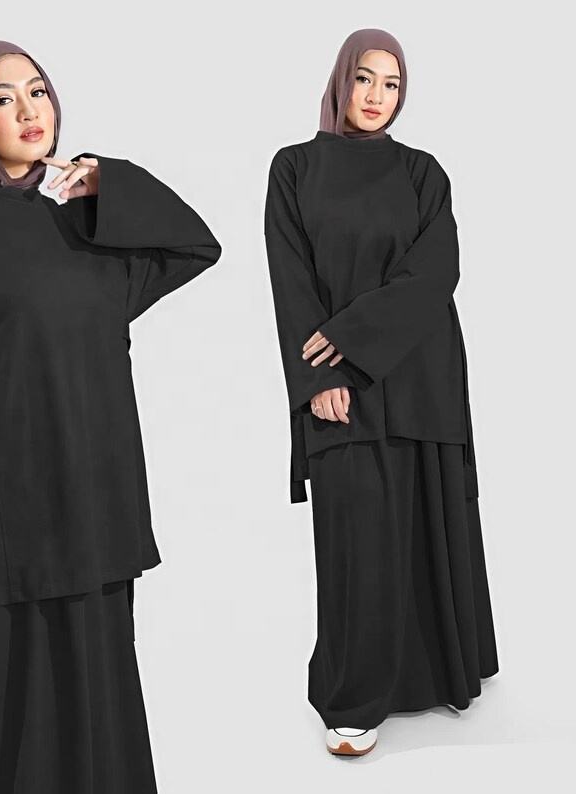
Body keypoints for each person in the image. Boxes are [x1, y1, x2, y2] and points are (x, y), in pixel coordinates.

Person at [0, 39, 221, 791]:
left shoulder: (90, 226)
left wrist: (109, 181)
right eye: (3, 99)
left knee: (91, 702)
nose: (29, 110)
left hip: (90, 509)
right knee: (4, 712)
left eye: (38, 91)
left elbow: (198, 244)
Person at [263, 28, 499, 757]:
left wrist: (353, 333)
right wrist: (321, 378)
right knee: (356, 543)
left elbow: (435, 272)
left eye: (391, 84)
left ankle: (438, 676)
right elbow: (291, 279)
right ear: (341, 80)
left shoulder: (423, 172)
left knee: (431, 527)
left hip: (424, 377)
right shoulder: (295, 167)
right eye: (364, 78)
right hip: (341, 387)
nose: (375, 96)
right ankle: (354, 699)